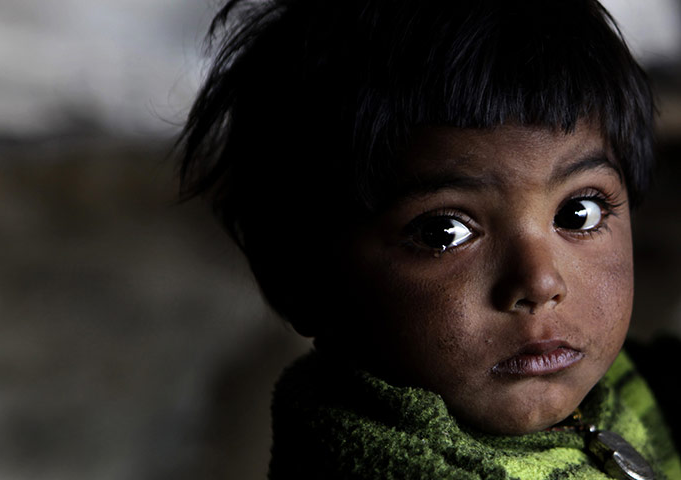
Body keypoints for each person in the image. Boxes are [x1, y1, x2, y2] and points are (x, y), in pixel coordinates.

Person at [178, 0, 681, 478]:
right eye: (445, 232)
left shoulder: (615, 385)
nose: (540, 281)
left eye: (578, 212)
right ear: (299, 276)